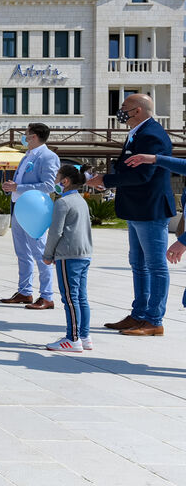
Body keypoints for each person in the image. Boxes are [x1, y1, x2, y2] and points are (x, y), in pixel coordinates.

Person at [87, 93, 176, 337]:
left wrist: (106, 180)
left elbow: (142, 175)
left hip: (150, 209)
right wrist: (107, 180)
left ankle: (154, 320)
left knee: (155, 266)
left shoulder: (151, 135)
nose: (120, 111)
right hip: (137, 209)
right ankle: (138, 314)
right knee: (138, 264)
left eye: (124, 107)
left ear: (138, 110)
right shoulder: (137, 133)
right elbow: (127, 168)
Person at [0, 123, 60, 309]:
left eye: (26, 134)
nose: (24, 138)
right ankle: (25, 291)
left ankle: (47, 296)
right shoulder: (28, 155)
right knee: (22, 252)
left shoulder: (48, 156)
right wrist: (12, 187)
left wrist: (19, 187)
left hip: (35, 211)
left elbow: (49, 185)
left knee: (40, 253)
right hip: (19, 207)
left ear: (34, 136)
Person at [43, 164, 93, 352]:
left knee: (70, 299)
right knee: (81, 297)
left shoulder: (62, 203)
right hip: (84, 253)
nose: (55, 181)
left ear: (65, 181)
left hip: (68, 254)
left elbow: (55, 232)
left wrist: (48, 254)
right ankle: (84, 336)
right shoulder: (81, 201)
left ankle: (73, 339)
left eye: (57, 178)